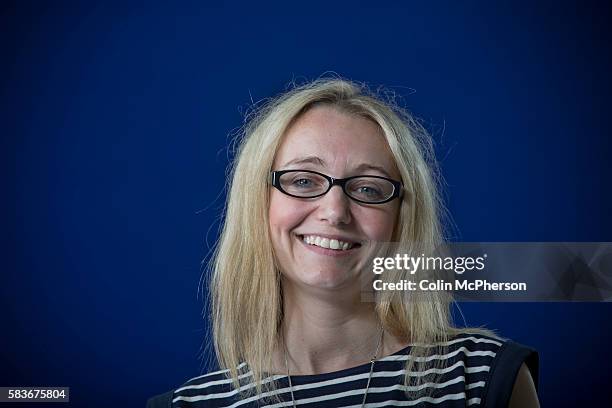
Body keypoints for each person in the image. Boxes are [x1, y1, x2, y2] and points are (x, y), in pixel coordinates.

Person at [147, 78, 539, 407]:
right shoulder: (187, 404)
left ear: (402, 218)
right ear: (257, 202)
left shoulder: (483, 377)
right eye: (303, 181)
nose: (335, 212)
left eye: (368, 189)